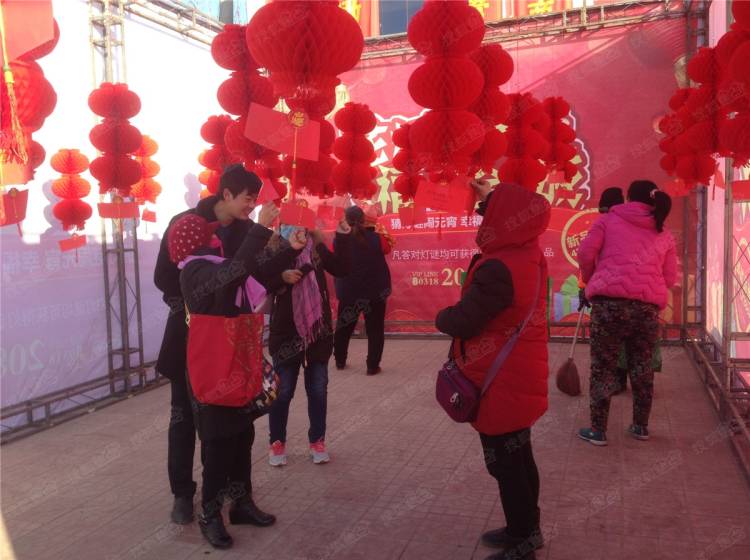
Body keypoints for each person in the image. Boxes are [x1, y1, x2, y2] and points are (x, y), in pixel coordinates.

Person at [171, 201, 306, 549]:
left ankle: (242, 503)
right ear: (195, 242)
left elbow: (253, 272)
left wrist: (289, 250)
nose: (215, 239)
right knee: (218, 445)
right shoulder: (193, 272)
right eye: (208, 236)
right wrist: (260, 230)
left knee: (242, 435)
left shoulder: (214, 265)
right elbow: (235, 273)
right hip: (214, 369)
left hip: (236, 361)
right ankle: (210, 514)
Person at [436, 181, 550, 560]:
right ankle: (526, 529)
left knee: (506, 464)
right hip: (516, 375)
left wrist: (441, 317)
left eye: (488, 210)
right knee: (519, 457)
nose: (482, 217)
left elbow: (465, 320)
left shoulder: (499, 266)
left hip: (499, 380)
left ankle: (523, 544)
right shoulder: (526, 252)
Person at [154, 163, 269, 524]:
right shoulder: (187, 225)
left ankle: (237, 498)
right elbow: (163, 278)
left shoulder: (247, 230)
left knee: (236, 422)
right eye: (248, 198)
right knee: (184, 419)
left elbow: (254, 275)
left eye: (256, 200)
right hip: (190, 339)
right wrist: (199, 307)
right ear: (227, 194)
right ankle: (183, 494)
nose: (252, 205)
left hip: (233, 344)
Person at [577, 180, 676, 446]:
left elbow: (585, 252)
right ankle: (640, 427)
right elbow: (670, 277)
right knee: (642, 367)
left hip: (608, 306)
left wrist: (591, 277)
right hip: (646, 310)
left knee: (603, 367)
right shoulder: (663, 231)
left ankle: (598, 430)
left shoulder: (608, 220)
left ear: (629, 197)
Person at [260, 220, 352, 467]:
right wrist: (282, 277)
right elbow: (260, 282)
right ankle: (277, 441)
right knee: (283, 392)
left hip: (317, 332)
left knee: (318, 389)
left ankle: (317, 441)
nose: (297, 227)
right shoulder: (274, 248)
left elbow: (342, 268)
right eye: (291, 221)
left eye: (302, 221)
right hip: (286, 333)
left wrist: (343, 238)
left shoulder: (316, 246)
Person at [333, 206, 393, 376]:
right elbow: (387, 249)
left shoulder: (339, 240)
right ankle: (372, 366)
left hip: (349, 292)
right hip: (375, 292)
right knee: (375, 330)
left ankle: (340, 361)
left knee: (344, 328)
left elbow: (334, 255)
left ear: (346, 220)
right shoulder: (378, 238)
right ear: (364, 219)